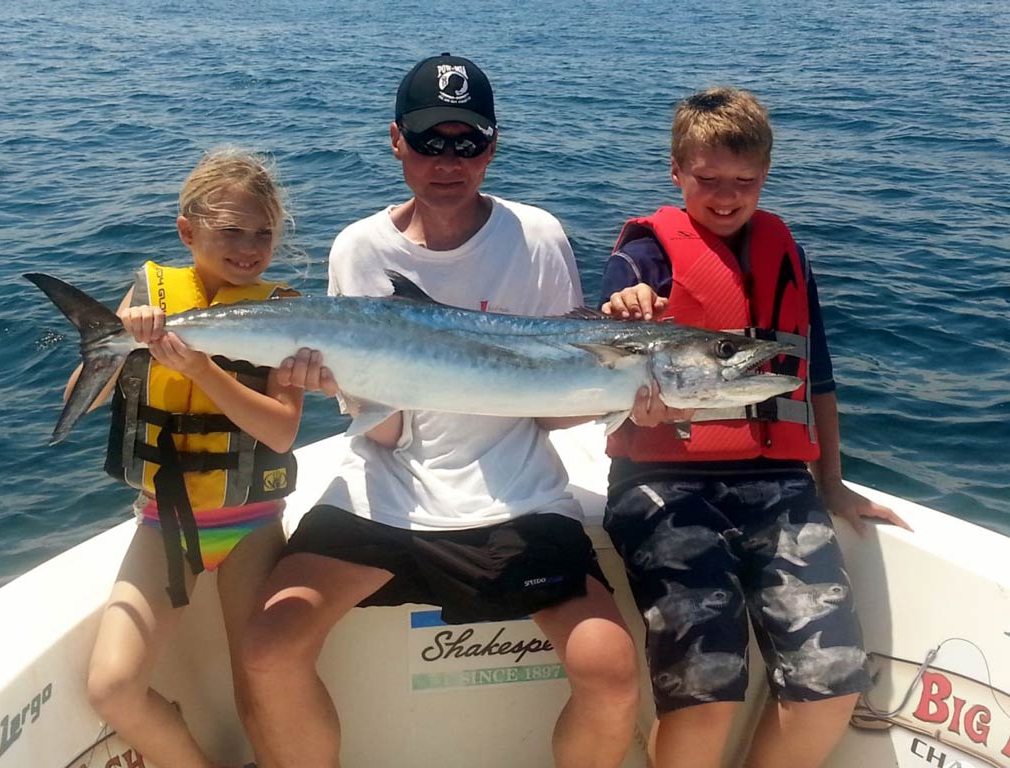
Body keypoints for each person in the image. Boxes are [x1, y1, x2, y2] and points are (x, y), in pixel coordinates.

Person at [240, 54, 640, 768]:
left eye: (467, 142)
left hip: (515, 496)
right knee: (269, 650)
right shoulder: (360, 248)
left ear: (492, 145)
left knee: (609, 670)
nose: (448, 161)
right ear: (396, 140)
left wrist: (622, 400)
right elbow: (382, 432)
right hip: (385, 492)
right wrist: (344, 386)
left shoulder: (537, 237)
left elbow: (545, 410)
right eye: (430, 140)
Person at [598, 87, 910, 768]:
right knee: (705, 688)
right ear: (676, 172)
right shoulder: (643, 258)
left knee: (830, 684)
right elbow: (609, 352)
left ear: (765, 176)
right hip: (661, 482)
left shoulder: (787, 255)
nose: (726, 196)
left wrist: (832, 483)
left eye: (746, 182)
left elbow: (815, 382)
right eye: (707, 180)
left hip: (778, 480)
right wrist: (626, 307)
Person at [77, 148, 305, 768]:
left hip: (253, 522)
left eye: (262, 232)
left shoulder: (285, 308)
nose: (248, 247)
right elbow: (84, 395)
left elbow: (282, 432)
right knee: (113, 686)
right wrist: (117, 340)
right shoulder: (152, 295)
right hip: (166, 522)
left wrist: (197, 368)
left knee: (262, 685)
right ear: (188, 231)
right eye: (230, 230)